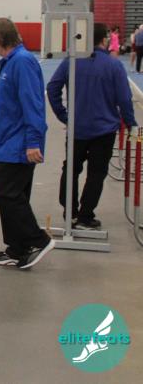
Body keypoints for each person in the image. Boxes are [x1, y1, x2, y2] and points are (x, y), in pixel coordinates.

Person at [46, 23, 136, 230]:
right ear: (104, 40)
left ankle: (70, 212)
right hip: (104, 130)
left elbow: (52, 88)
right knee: (96, 173)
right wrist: (131, 123)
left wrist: (63, 116)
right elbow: (124, 99)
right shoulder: (114, 65)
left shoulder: (72, 61)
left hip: (77, 128)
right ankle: (85, 216)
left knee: (70, 169)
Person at [0, 17, 53, 270]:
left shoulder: (22, 62)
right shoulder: (10, 63)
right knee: (15, 194)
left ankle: (38, 240)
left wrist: (33, 142)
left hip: (19, 143)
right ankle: (17, 249)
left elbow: (33, 104)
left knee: (4, 193)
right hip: (8, 139)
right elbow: (6, 106)